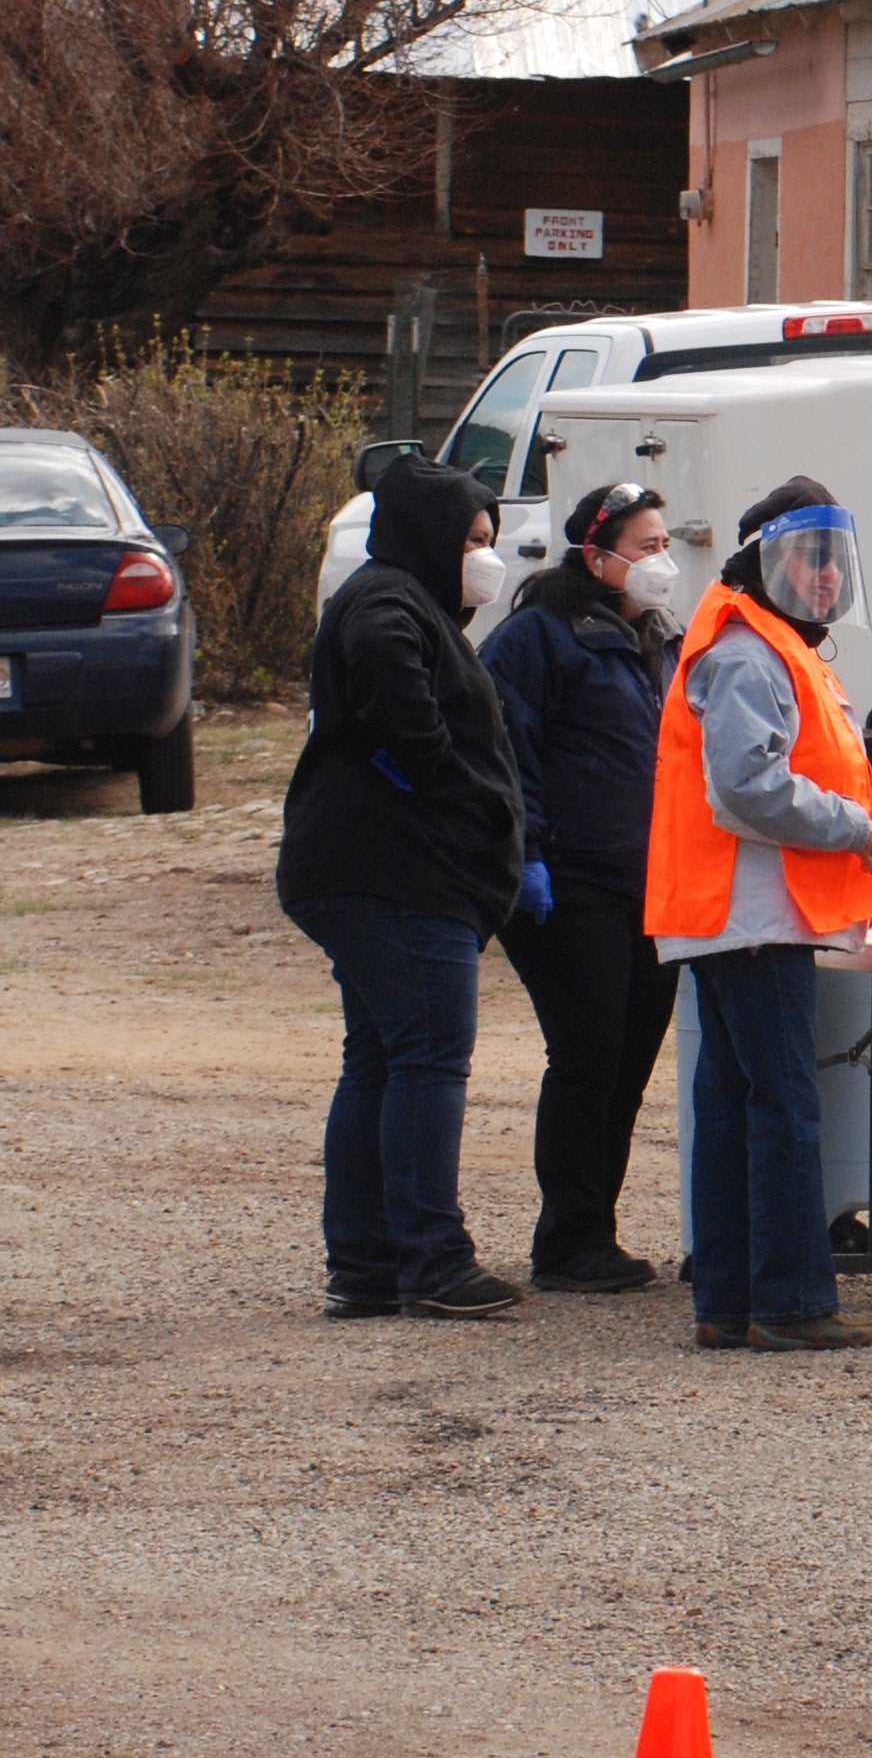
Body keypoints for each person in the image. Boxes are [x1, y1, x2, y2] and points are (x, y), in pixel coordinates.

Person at [645, 476, 872, 1352]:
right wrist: (854, 829)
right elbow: (748, 788)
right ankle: (790, 1301)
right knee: (781, 1104)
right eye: (806, 557)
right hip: (750, 915)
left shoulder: (766, 643)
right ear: (764, 560)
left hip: (736, 914)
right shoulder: (749, 650)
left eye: (833, 560)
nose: (824, 576)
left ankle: (728, 1301)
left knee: (734, 1103)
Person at [279, 456, 527, 1321]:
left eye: (489, 540)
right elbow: (396, 701)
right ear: (431, 535)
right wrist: (453, 785)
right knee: (425, 1060)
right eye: (472, 538)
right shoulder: (388, 602)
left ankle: (367, 1261)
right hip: (394, 881)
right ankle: (430, 1259)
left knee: (383, 1059)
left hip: (380, 875)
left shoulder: (405, 599)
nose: (485, 557)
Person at [477, 482, 682, 1293]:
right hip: (572, 885)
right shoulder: (537, 639)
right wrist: (526, 855)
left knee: (628, 1060)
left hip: (650, 886)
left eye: (665, 544)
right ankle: (568, 1239)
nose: (659, 561)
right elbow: (504, 755)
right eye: (644, 547)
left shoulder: (658, 642)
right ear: (596, 555)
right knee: (588, 1053)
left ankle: (595, 1228)